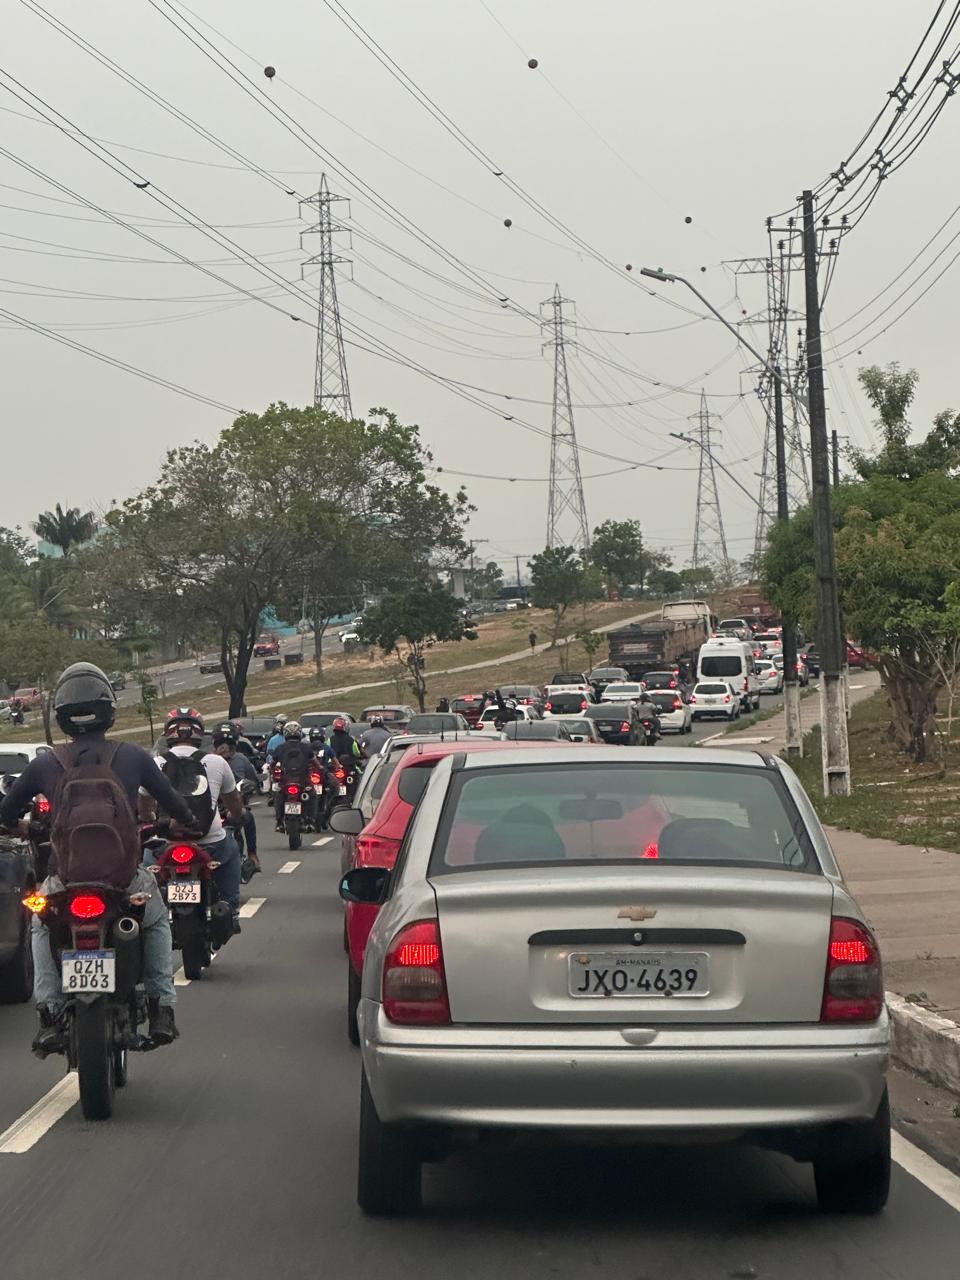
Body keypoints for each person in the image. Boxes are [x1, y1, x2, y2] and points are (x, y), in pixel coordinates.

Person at [0, 663, 197, 1053]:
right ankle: (162, 1008)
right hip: (124, 878)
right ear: (108, 709)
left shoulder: (44, 763)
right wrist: (182, 823)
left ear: (61, 714)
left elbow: (7, 813)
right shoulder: (133, 757)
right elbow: (175, 805)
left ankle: (50, 1011)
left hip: (66, 879)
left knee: (40, 925)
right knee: (156, 920)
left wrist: (26, 829)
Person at [146, 708, 244, 932]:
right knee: (232, 851)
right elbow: (234, 804)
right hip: (211, 842)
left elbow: (143, 809)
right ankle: (232, 909)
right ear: (200, 733)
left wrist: (154, 822)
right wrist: (237, 817)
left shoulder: (154, 764)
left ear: (167, 733)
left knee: (145, 865)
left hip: (165, 843)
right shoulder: (217, 762)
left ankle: (148, 916)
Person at [213, 723, 260, 875]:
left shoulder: (240, 759)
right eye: (221, 745)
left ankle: (252, 855)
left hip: (228, 809)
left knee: (248, 817)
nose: (224, 748)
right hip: (210, 809)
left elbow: (253, 780)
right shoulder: (208, 759)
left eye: (226, 745)